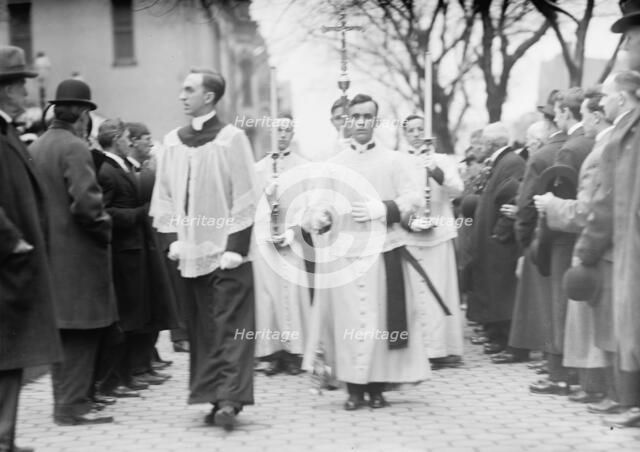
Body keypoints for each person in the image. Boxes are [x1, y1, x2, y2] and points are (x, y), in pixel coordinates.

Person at [302, 94, 428, 411]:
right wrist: (320, 217)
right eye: (354, 116)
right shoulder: (333, 165)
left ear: (375, 120)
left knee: (380, 322)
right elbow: (318, 205)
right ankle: (353, 389)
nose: (360, 122)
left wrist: (383, 208)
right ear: (347, 120)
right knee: (350, 322)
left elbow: (415, 198)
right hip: (346, 256)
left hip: (384, 252)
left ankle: (377, 388)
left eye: (366, 116)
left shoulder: (395, 160)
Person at [151, 68, 257, 430]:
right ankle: (212, 396)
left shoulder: (231, 139)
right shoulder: (172, 142)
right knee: (202, 328)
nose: (182, 95)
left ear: (209, 96)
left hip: (227, 253)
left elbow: (245, 194)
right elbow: (163, 196)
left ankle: (231, 399)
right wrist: (173, 239)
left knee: (230, 325)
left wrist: (236, 247)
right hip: (192, 254)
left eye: (189, 89)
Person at [30, 79, 117, 426]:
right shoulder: (76, 148)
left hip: (48, 256)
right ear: (82, 114)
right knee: (83, 330)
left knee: (63, 330)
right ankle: (73, 406)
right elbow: (87, 206)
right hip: (79, 256)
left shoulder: (35, 148)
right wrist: (105, 228)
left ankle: (63, 402)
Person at [574, 6, 640, 424]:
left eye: (632, 37)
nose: (628, 46)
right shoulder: (626, 129)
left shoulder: (627, 128)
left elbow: (607, 200)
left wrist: (586, 247)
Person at [534, 86, 614, 404]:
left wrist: (550, 207)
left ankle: (585, 382)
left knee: (580, 317)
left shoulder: (575, 148)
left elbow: (589, 207)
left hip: (579, 239)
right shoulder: (597, 144)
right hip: (594, 240)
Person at [0, 45, 62, 452]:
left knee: (11, 358)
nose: (27, 94)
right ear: (6, 91)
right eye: (22, 86)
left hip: (14, 266)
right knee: (6, 356)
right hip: (7, 262)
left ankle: (5, 437)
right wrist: (13, 240)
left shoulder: (8, 133)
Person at [529, 87, 594, 396]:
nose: (555, 120)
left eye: (557, 114)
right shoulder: (596, 140)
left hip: (563, 238)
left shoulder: (569, 148)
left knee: (559, 308)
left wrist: (541, 240)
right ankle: (578, 375)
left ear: (567, 113)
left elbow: (559, 201)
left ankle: (560, 376)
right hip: (588, 236)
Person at [491, 117, 561, 365]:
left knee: (532, 298)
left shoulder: (539, 158)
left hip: (534, 235)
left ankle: (526, 350)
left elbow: (528, 200)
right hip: (550, 233)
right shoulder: (554, 153)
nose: (528, 148)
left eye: (532, 143)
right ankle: (539, 352)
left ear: (540, 141)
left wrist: (521, 231)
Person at [400, 114, 464, 368]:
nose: (416, 134)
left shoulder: (442, 160)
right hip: (411, 233)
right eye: (411, 130)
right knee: (415, 293)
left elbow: (458, 190)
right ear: (405, 134)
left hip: (439, 232)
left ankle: (443, 348)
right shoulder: (398, 160)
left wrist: (435, 172)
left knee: (441, 289)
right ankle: (418, 350)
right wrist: (408, 220)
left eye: (420, 129)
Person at [252, 114, 311, 375]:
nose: (283, 134)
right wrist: (266, 198)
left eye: (288, 130)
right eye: (278, 130)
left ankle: (296, 351)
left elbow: (308, 204)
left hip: (292, 239)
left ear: (293, 134)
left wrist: (291, 230)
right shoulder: (257, 169)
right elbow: (251, 207)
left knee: (294, 294)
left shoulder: (304, 167)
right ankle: (271, 352)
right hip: (266, 241)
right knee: (269, 295)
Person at [464, 122, 525, 355]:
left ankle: (509, 341)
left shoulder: (512, 163)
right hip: (492, 239)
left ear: (493, 143)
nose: (482, 145)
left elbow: (512, 199)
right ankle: (498, 337)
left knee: (504, 291)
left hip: (501, 241)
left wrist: (500, 233)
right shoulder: (500, 162)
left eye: (485, 141)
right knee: (494, 289)